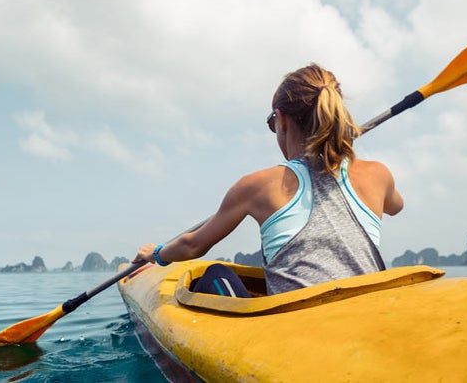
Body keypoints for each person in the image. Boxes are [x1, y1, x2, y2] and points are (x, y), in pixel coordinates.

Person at [133, 63, 404, 296]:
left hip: (298, 329)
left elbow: (193, 245)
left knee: (215, 274)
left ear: (282, 120)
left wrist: (155, 254)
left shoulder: (257, 186)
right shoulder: (378, 175)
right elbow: (395, 206)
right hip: (369, 314)